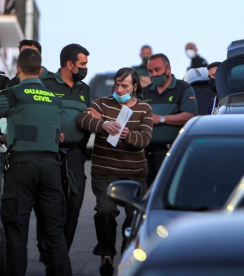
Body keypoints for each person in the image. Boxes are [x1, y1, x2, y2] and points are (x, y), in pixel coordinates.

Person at [0, 49, 72, 276]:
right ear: (40, 71)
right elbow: (46, 132)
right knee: (55, 235)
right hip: (51, 169)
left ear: (17, 69)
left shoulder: (13, 94)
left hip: (22, 169)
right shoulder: (55, 100)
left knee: (17, 235)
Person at [77, 67, 153, 276]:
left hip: (135, 174)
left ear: (134, 87)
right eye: (117, 84)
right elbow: (82, 120)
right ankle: (106, 254)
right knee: (105, 211)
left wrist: (128, 134)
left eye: (124, 85)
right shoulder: (101, 103)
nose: (119, 89)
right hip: (104, 172)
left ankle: (127, 256)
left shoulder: (144, 109)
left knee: (134, 218)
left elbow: (144, 139)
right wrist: (102, 124)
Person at [41, 43, 90, 253]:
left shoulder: (84, 89)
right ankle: (48, 249)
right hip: (50, 153)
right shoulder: (45, 84)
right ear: (70, 64)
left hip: (76, 153)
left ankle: (61, 253)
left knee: (74, 203)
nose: (86, 68)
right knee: (52, 205)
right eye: (82, 63)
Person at [143, 54, 198, 187]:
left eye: (157, 70)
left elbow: (190, 116)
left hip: (170, 153)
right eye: (150, 71)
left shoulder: (183, 88)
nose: (154, 74)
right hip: (146, 154)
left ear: (168, 69)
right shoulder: (144, 92)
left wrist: (162, 119)